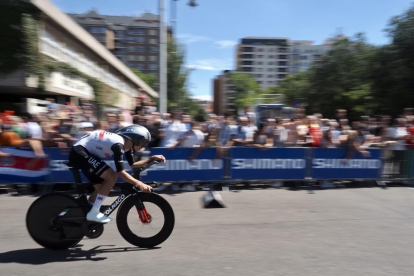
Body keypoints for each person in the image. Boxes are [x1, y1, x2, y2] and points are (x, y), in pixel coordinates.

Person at [68, 125, 166, 223]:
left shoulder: (127, 147)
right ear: (134, 139)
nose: (143, 146)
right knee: (112, 177)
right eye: (142, 142)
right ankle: (94, 213)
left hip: (84, 153)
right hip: (79, 152)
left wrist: (151, 158)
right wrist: (139, 184)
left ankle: (87, 210)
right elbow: (120, 173)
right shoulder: (118, 144)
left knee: (102, 187)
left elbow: (134, 165)